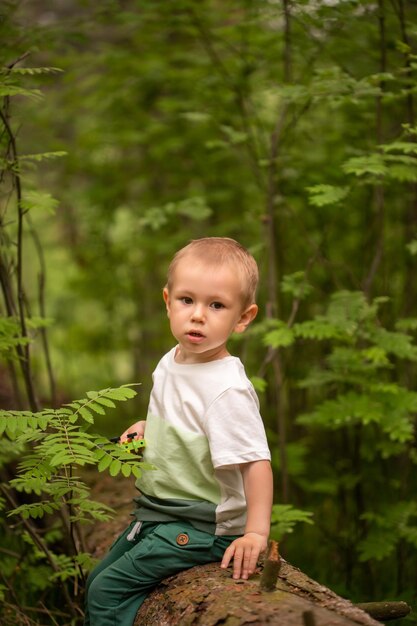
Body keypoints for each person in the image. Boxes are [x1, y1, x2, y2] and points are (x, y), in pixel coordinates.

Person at [84, 237, 273, 626]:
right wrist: (148, 428)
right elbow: (184, 421)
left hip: (201, 527)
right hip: (160, 511)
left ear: (243, 317)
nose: (198, 315)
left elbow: (256, 462)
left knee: (107, 592)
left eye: (216, 305)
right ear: (168, 301)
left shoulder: (227, 389)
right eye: (187, 300)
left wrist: (255, 533)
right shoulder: (171, 361)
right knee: (96, 580)